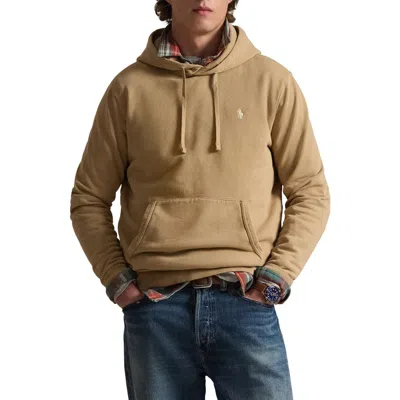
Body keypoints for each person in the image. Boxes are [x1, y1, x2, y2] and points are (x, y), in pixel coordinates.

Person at [70, 1, 330, 399]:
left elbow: (310, 191)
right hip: (156, 307)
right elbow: (89, 197)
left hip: (246, 301)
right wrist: (118, 281)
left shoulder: (272, 82)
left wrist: (275, 281)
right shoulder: (128, 89)